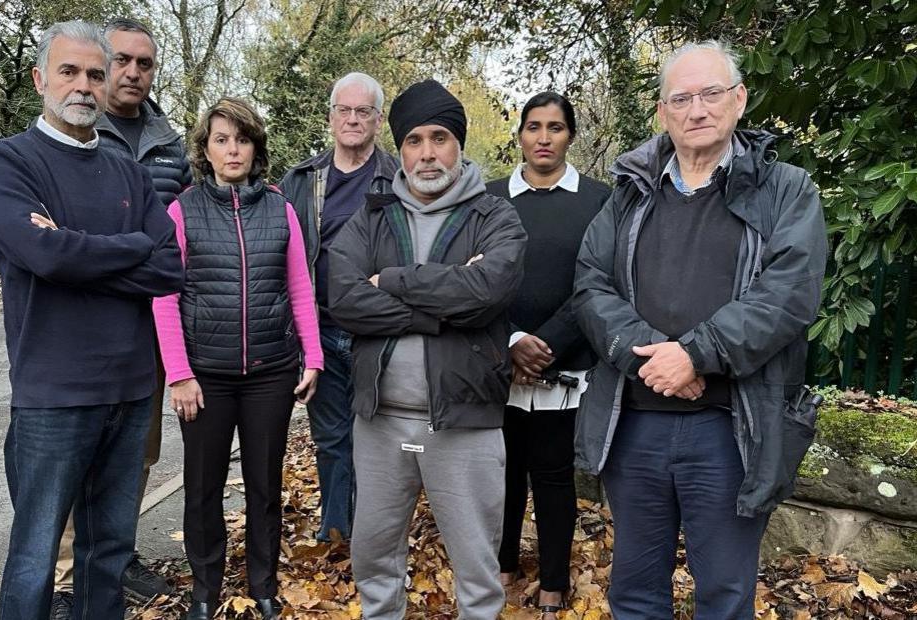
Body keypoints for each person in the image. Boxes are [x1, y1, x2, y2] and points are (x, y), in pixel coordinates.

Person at [572, 40, 827, 619]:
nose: (697, 109)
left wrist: (695, 355)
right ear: (663, 112)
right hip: (634, 424)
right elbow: (590, 283)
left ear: (738, 100)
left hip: (731, 427)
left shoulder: (786, 189)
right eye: (680, 98)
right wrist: (649, 361)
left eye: (711, 93)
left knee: (725, 595)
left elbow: (789, 294)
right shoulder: (631, 192)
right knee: (634, 594)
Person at [0, 20, 185, 620]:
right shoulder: (7, 162)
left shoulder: (129, 173)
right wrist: (127, 246)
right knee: (35, 557)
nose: (85, 86)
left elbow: (169, 266)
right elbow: (43, 254)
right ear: (41, 78)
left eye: (97, 73)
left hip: (132, 388)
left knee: (109, 554)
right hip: (54, 396)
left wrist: (75, 248)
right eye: (70, 71)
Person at [328, 79, 527, 619]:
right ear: (401, 149)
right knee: (373, 557)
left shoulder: (496, 217)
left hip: (464, 423)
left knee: (478, 569)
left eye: (440, 137)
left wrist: (388, 278)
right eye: (414, 140)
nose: (427, 152)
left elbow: (485, 293)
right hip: (380, 423)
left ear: (458, 144)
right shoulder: (370, 216)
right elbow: (342, 300)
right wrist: (439, 310)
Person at [151, 97, 324, 620]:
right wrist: (178, 374)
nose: (233, 149)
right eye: (222, 139)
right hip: (204, 378)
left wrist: (311, 356)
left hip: (270, 373)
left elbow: (299, 287)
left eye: (242, 139)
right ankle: (205, 590)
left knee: (264, 486)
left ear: (256, 146)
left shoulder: (280, 208)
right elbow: (165, 297)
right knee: (202, 489)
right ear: (205, 148)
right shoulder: (181, 210)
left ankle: (263, 583)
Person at [50, 18, 190, 614]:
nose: (133, 73)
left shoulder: (172, 146)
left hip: (150, 322)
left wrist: (107, 253)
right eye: (123, 61)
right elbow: (57, 247)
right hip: (77, 327)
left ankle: (113, 559)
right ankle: (60, 576)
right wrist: (125, 252)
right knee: (69, 454)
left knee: (138, 451)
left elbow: (171, 247)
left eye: (145, 64)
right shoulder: (71, 130)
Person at [484, 91, 610, 616]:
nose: (542, 137)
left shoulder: (599, 200)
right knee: (503, 471)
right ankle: (503, 566)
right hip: (498, 359)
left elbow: (600, 282)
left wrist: (549, 343)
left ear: (570, 136)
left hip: (565, 364)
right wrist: (513, 341)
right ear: (519, 135)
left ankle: (555, 579)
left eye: (554, 128)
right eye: (533, 127)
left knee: (554, 476)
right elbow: (476, 278)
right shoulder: (489, 199)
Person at [279, 72, 399, 543]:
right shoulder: (302, 180)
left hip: (380, 333)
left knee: (382, 440)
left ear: (378, 119)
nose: (352, 120)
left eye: (362, 111)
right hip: (321, 331)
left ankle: (378, 536)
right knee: (331, 439)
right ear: (331, 117)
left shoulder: (399, 178)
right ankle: (337, 533)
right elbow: (282, 254)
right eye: (344, 110)